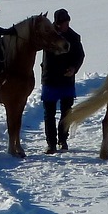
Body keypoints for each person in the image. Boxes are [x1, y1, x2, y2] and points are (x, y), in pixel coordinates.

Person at [40, 9, 85, 154]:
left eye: (67, 22)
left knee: (66, 113)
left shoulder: (74, 37)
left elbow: (80, 55)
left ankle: (63, 139)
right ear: (57, 24)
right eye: (63, 23)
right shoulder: (48, 35)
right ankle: (51, 143)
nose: (66, 25)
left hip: (67, 80)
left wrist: (74, 68)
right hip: (50, 79)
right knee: (49, 114)